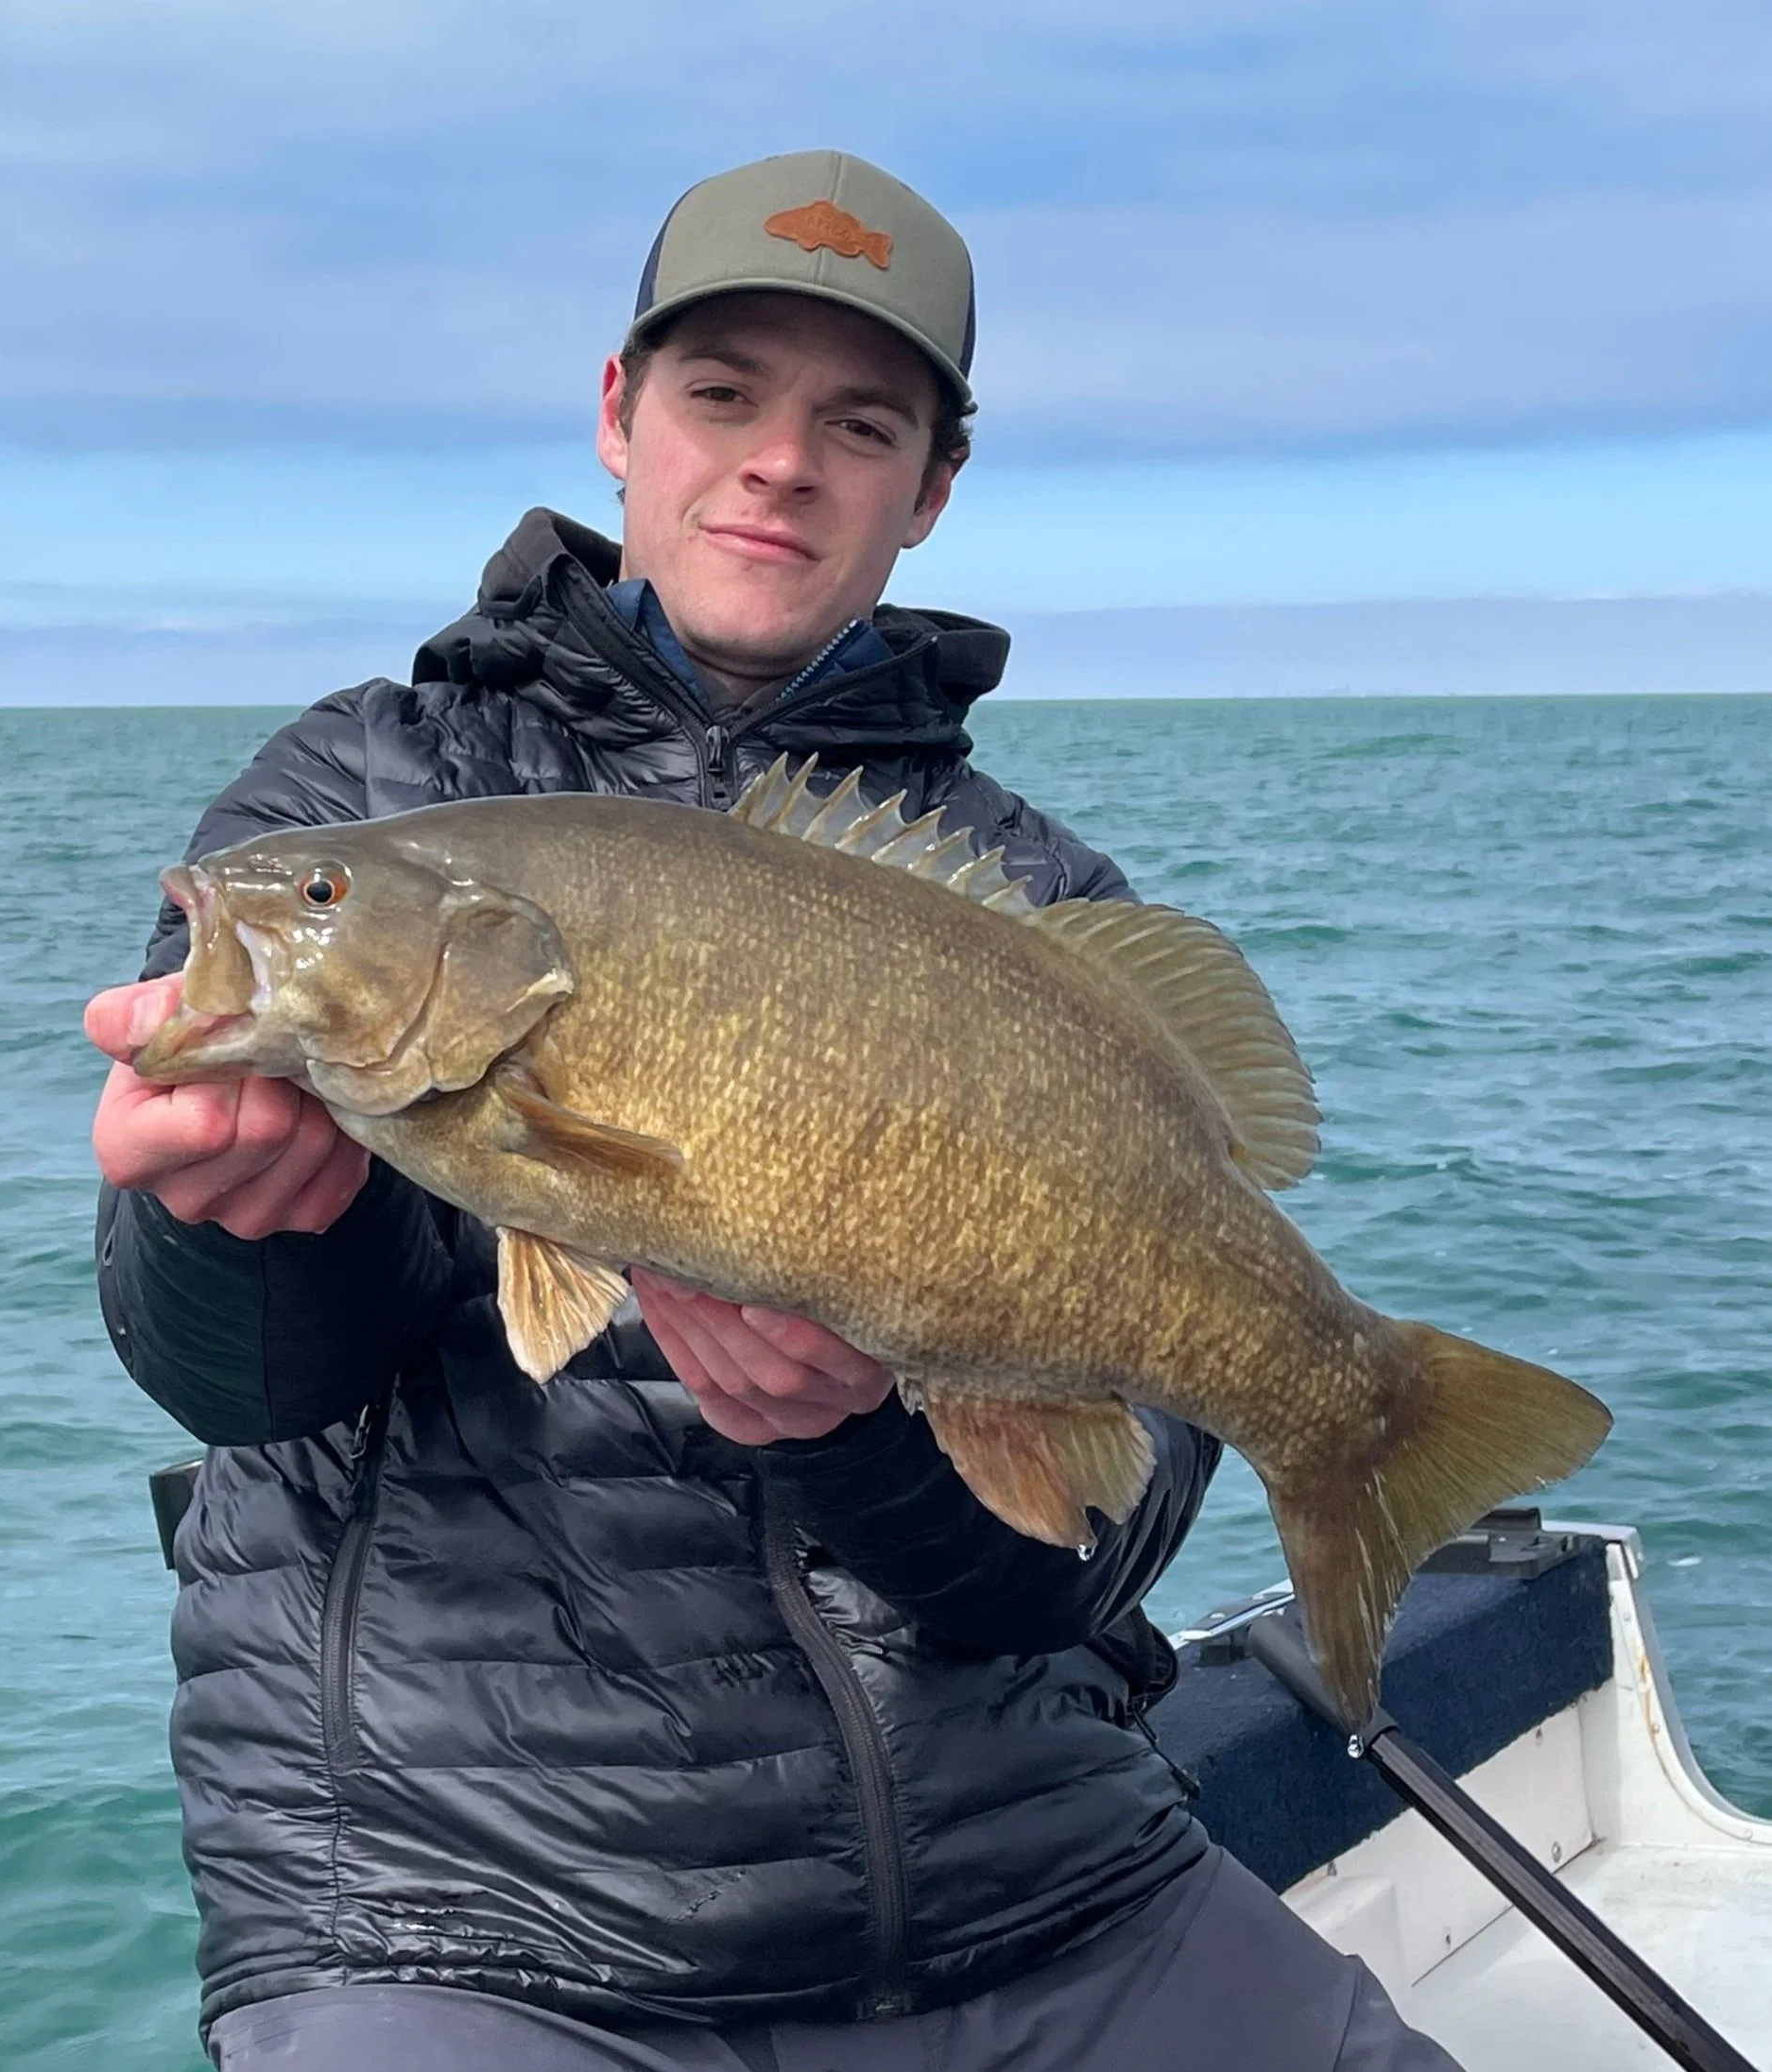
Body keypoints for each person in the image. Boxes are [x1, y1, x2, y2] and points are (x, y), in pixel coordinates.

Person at [88, 151, 1461, 2071]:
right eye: (720, 392)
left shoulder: (1045, 903)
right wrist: (224, 1224)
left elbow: (1077, 1563)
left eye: (858, 421)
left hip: (1031, 1874)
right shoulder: (366, 787)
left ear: (930, 489)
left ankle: (1371, 1416)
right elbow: (243, 1389)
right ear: (617, 415)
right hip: (467, 1911)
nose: (776, 461)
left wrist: (873, 1448)